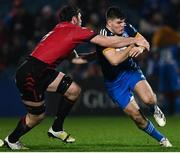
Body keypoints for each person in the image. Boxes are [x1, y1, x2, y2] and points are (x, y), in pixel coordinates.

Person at [0, 5, 148, 150]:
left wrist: (99, 55)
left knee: (73, 90)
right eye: (80, 17)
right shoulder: (75, 30)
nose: (81, 20)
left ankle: (56, 129)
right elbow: (108, 41)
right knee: (36, 117)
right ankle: (11, 140)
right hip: (31, 75)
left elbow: (75, 59)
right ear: (74, 19)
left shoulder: (58, 30)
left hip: (42, 71)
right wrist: (133, 40)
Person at [79, 6, 172, 147]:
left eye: (123, 22)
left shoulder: (126, 27)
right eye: (119, 23)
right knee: (137, 118)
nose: (122, 25)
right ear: (109, 23)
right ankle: (162, 139)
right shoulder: (102, 37)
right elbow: (114, 60)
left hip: (130, 71)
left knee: (149, 99)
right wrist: (131, 44)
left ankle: (154, 109)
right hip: (114, 83)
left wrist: (140, 47)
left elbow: (145, 42)